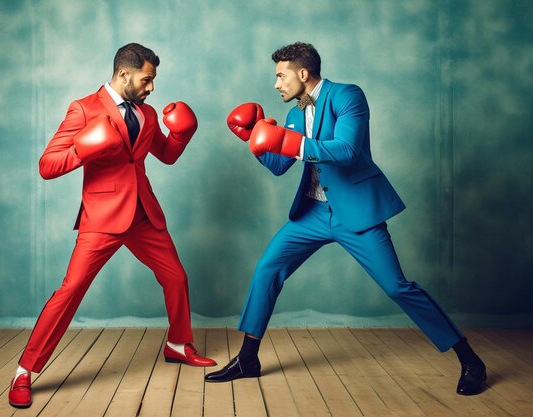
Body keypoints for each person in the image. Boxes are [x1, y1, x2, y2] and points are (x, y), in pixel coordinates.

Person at [205, 42, 486, 396]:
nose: (276, 84)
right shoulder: (295, 114)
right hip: (313, 212)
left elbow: (348, 150)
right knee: (267, 269)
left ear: (303, 73)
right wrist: (255, 142)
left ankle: (470, 359)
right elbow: (280, 167)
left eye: (281, 76)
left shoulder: (348, 96)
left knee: (398, 286)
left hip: (355, 211)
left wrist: (289, 143)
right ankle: (248, 358)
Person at [8, 43, 216, 409]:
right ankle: (25, 370)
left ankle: (178, 345)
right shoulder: (83, 109)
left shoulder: (148, 115)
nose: (152, 88)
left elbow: (166, 155)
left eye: (153, 81)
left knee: (176, 277)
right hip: (102, 218)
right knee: (70, 291)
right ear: (124, 74)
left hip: (143, 214)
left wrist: (182, 134)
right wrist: (83, 150)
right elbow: (47, 165)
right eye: (147, 79)